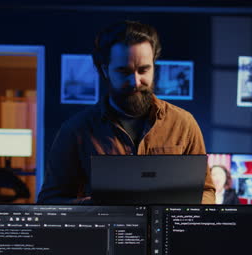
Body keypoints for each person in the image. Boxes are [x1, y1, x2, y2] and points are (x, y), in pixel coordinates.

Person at [37, 20, 215, 204]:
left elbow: (207, 191)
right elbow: (48, 201)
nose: (135, 81)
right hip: (104, 233)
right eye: (124, 71)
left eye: (143, 70)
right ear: (105, 70)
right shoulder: (75, 130)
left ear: (153, 67)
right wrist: (94, 207)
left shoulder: (184, 124)